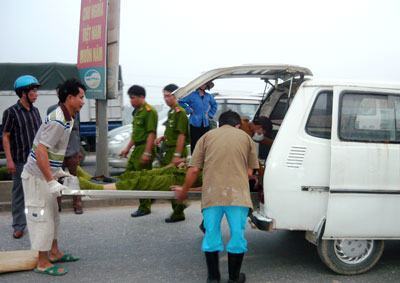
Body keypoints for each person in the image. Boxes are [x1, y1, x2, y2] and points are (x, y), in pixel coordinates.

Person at [174, 110, 259, 283]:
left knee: (211, 234)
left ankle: (213, 278)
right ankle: (234, 279)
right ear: (237, 125)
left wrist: (183, 191)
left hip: (212, 195)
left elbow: (194, 169)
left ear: (220, 124)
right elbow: (250, 171)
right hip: (237, 196)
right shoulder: (246, 138)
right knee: (237, 235)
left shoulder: (206, 137)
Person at [21, 78, 85, 276]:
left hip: (46, 174)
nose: (83, 101)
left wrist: (59, 173)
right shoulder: (58, 120)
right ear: (70, 97)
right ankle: (42, 261)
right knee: (42, 218)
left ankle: (54, 252)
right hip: (35, 176)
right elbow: (41, 150)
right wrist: (50, 180)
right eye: (81, 97)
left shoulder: (68, 117)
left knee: (54, 216)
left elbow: (52, 153)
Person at [2, 75, 42, 239]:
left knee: (37, 192)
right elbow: (5, 136)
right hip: (19, 161)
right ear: (24, 93)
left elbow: (40, 135)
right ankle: (19, 225)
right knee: (19, 194)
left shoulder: (35, 111)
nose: (36, 94)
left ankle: (37, 220)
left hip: (36, 160)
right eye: (33, 91)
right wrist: (9, 160)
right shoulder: (10, 112)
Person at [120, 85, 158, 217]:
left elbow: (151, 133)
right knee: (130, 174)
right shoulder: (137, 112)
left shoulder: (149, 111)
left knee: (141, 179)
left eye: (133, 98)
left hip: (145, 148)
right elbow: (136, 133)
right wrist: (127, 148)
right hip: (137, 148)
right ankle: (150, 196)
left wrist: (147, 153)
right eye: (130, 98)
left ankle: (145, 206)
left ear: (142, 97)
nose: (131, 101)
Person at [154, 84, 189, 223]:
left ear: (176, 96)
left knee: (174, 181)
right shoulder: (171, 112)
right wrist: (162, 138)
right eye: (164, 96)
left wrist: (177, 156)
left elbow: (181, 136)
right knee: (169, 181)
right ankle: (179, 206)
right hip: (167, 150)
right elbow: (172, 132)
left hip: (175, 152)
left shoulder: (181, 113)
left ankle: (179, 211)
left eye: (169, 96)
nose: (166, 99)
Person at [47, 104, 83, 214]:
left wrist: (79, 149)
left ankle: (77, 203)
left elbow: (78, 130)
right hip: (57, 152)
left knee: (74, 178)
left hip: (72, 149)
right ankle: (56, 204)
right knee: (56, 178)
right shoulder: (51, 110)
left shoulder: (75, 109)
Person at [178, 81, 217, 153]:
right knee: (194, 143)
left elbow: (214, 105)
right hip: (194, 122)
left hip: (205, 123)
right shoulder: (192, 95)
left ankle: (203, 160)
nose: (203, 85)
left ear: (207, 85)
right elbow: (180, 102)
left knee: (205, 143)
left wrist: (210, 114)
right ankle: (194, 161)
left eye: (205, 84)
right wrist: (188, 109)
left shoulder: (209, 96)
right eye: (202, 83)